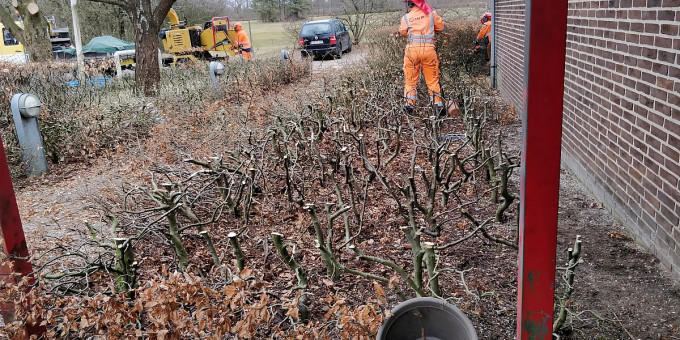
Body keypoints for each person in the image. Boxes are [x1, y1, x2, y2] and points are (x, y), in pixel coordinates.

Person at [399, 0, 445, 116]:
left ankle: (408, 105)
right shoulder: (431, 13)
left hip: (411, 52)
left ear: (410, 4)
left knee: (410, 80)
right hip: (428, 50)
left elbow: (403, 32)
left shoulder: (406, 17)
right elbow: (441, 27)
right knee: (432, 80)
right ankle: (438, 105)